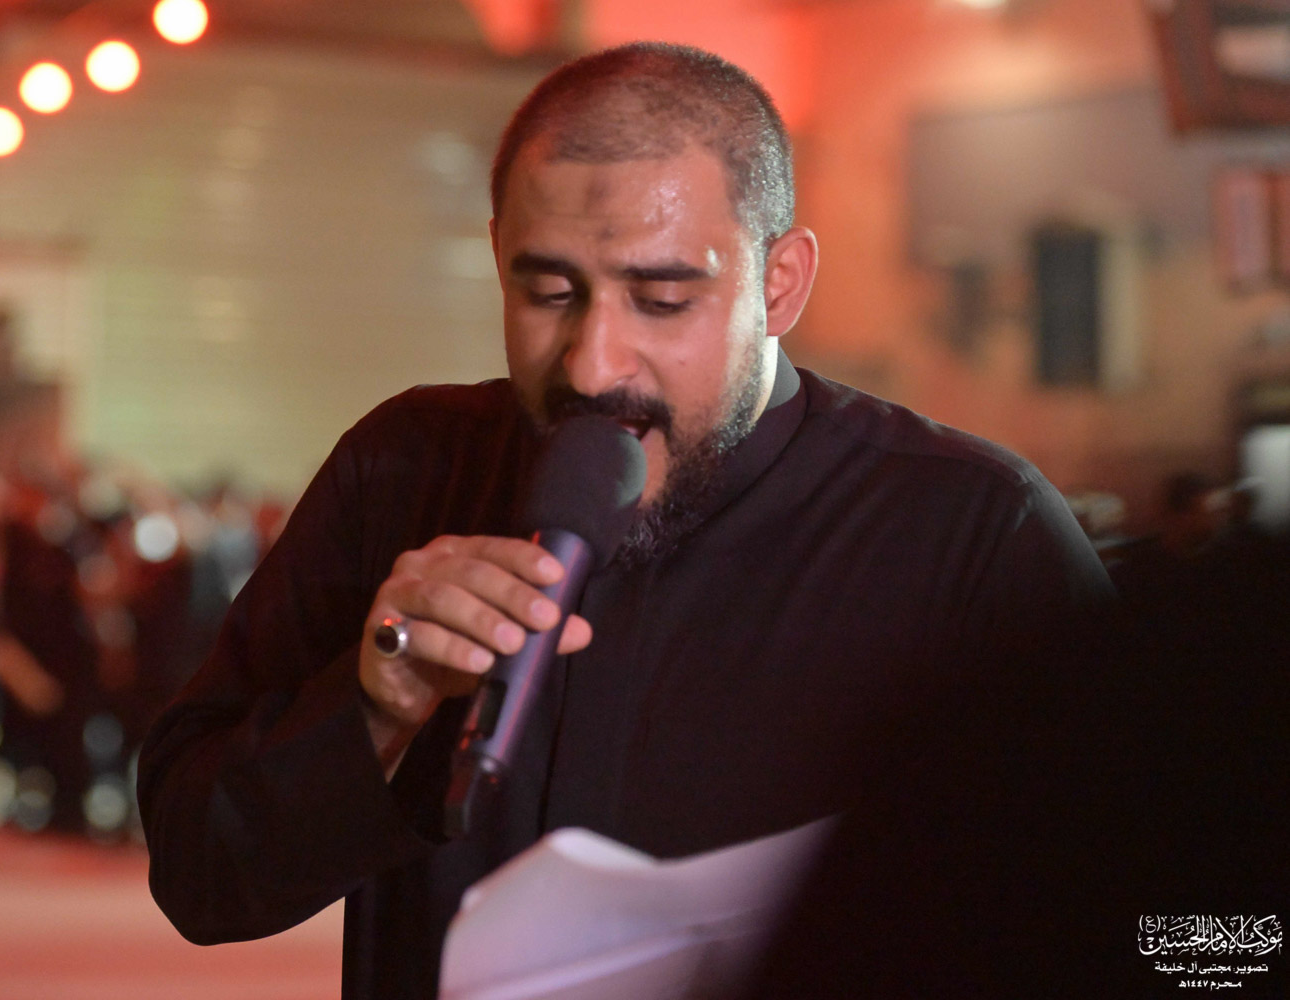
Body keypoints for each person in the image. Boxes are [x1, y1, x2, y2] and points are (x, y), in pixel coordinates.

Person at [139, 42, 1113, 998]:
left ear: (779, 284)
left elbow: (1146, 919)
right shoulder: (401, 471)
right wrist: (376, 706)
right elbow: (199, 880)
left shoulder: (972, 532)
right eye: (549, 293)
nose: (593, 364)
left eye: (662, 298)